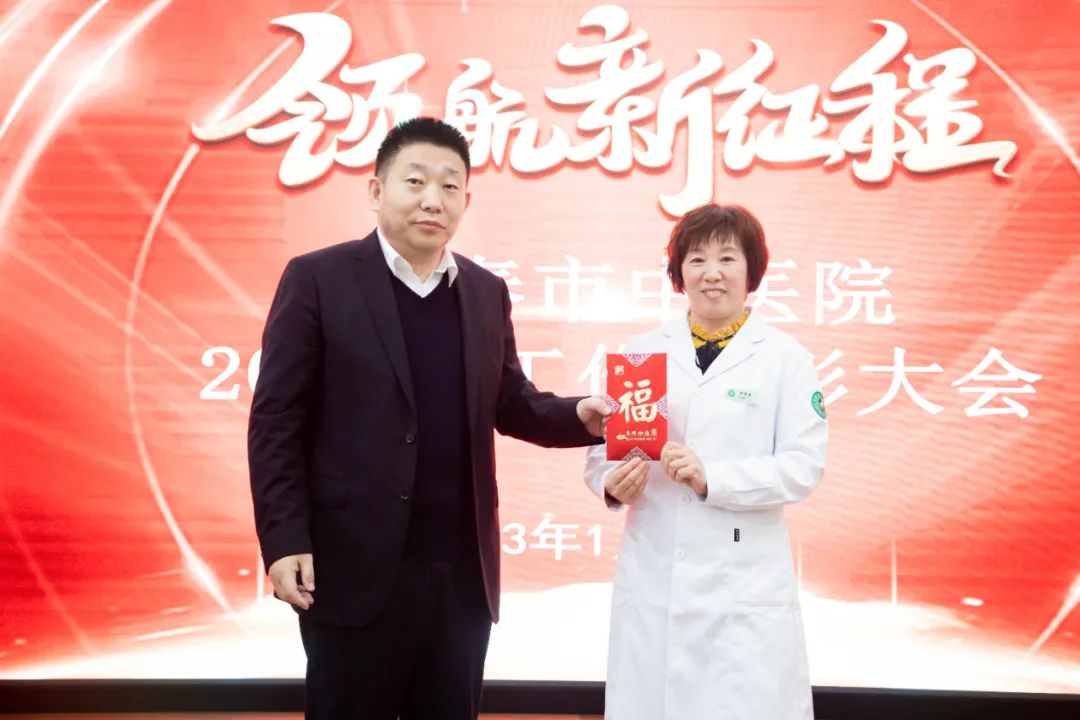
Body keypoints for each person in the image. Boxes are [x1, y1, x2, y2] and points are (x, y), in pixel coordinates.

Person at [248, 117, 610, 720]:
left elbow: (510, 400)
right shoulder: (318, 279)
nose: (432, 199)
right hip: (351, 566)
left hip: (460, 578)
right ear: (376, 191)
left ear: (466, 200)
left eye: (449, 186)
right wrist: (284, 540)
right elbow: (275, 421)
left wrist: (580, 416)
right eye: (414, 181)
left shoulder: (486, 291)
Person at [584, 203, 827, 720]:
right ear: (679, 273)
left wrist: (712, 477)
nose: (711, 273)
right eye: (696, 259)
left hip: (744, 579)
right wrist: (612, 483)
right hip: (655, 574)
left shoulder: (785, 359)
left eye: (727, 258)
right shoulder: (641, 354)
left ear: (752, 270)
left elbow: (802, 467)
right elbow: (601, 453)